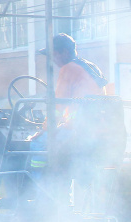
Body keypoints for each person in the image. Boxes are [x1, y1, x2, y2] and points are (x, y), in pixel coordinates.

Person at [32, 33, 110, 211]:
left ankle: (39, 198)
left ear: (64, 52)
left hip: (80, 132)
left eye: (54, 55)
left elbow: (57, 108)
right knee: (58, 156)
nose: (53, 60)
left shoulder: (68, 69)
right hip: (95, 131)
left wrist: (44, 131)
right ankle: (60, 197)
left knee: (36, 146)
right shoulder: (91, 68)